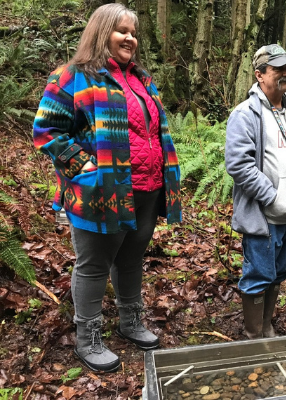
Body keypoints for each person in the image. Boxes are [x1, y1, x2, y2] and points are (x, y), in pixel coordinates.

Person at [32, 3, 181, 372]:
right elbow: (47, 131)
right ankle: (88, 338)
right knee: (94, 264)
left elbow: (153, 131)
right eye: (122, 31)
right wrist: (86, 170)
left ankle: (130, 321)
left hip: (147, 188)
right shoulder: (73, 76)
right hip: (99, 192)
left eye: (133, 32)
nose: (130, 37)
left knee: (131, 258)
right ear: (102, 32)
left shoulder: (142, 78)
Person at [225, 44, 286, 339]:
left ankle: (266, 327)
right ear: (260, 74)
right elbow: (239, 165)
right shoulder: (245, 114)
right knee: (258, 274)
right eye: (278, 69)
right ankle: (254, 335)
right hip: (264, 214)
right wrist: (272, 196)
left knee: (279, 272)